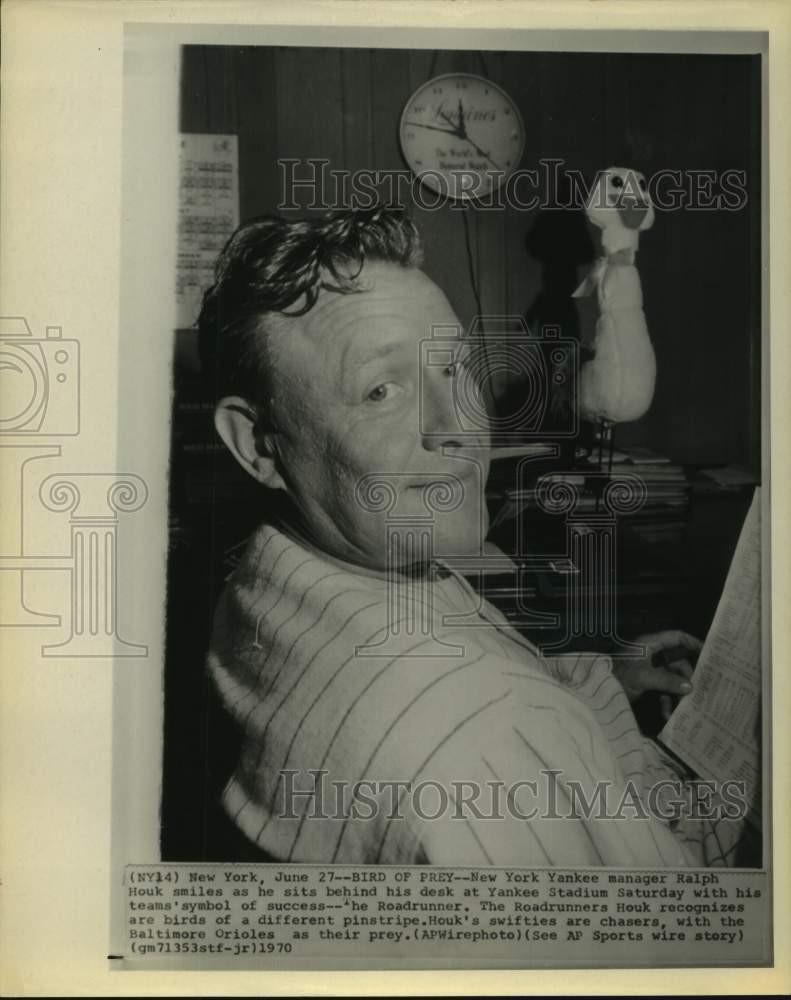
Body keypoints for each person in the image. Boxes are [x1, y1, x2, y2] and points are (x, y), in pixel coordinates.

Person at [198, 206, 744, 866]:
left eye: (453, 368)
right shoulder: (489, 733)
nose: (457, 422)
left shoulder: (280, 570)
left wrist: (599, 684)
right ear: (257, 445)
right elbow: (672, 937)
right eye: (381, 391)